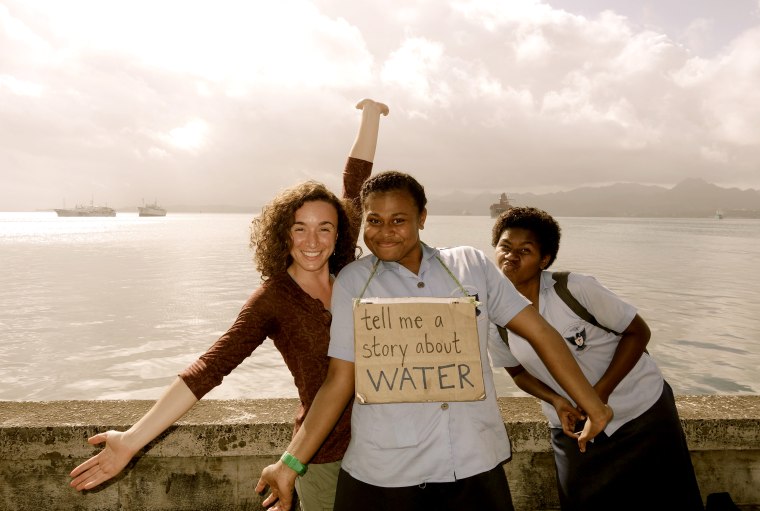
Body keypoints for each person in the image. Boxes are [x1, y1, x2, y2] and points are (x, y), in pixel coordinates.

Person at [69, 99, 390, 511]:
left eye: (323, 228)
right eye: (299, 229)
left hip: (386, 446)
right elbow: (209, 368)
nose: (312, 241)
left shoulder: (347, 272)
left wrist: (369, 117)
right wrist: (131, 441)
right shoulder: (273, 299)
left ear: (337, 232)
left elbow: (354, 184)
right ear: (282, 234)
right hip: (322, 456)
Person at [255, 171, 613, 511]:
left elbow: (539, 332)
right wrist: (289, 464)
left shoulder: (470, 264)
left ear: (422, 217)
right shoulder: (353, 280)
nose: (384, 232)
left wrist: (591, 403)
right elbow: (339, 379)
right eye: (374, 220)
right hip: (383, 471)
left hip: (472, 462)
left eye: (399, 220)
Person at [488, 206, 704, 511]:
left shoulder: (575, 289)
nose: (512, 256)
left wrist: (597, 396)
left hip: (641, 411)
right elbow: (517, 372)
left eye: (526, 250)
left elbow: (638, 333)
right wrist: (556, 401)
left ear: (544, 260)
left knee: (667, 499)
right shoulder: (494, 317)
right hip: (573, 426)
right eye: (505, 247)